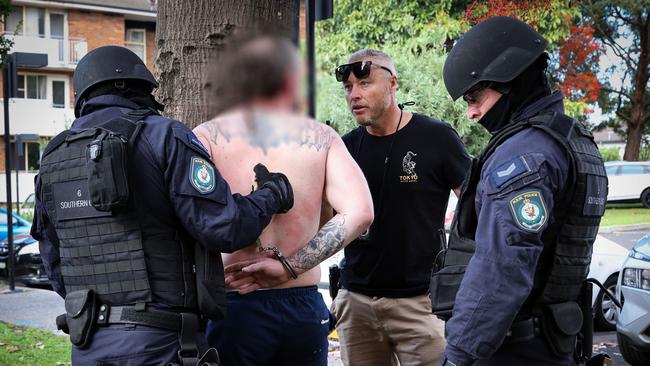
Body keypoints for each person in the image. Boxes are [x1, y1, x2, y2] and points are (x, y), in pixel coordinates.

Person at [30, 45, 294, 366]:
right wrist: (272, 193)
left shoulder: (53, 157)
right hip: (159, 344)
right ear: (138, 88)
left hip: (88, 344)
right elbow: (224, 227)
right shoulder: (164, 135)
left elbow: (53, 260)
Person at [192, 36, 374, 366]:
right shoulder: (322, 138)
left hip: (234, 302)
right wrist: (288, 267)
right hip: (300, 303)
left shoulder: (206, 137)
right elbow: (360, 212)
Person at [439, 16, 608, 365]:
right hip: (553, 341)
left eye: (474, 96)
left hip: (513, 347)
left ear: (509, 79)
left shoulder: (524, 156)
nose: (471, 113)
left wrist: (457, 356)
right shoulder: (575, 142)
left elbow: (502, 267)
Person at [331, 48, 471, 366]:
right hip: (356, 302)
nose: (354, 94)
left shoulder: (436, 137)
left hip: (422, 304)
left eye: (365, 83)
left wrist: (463, 273)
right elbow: (327, 219)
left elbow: (477, 205)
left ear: (393, 83)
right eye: (348, 87)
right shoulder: (345, 148)